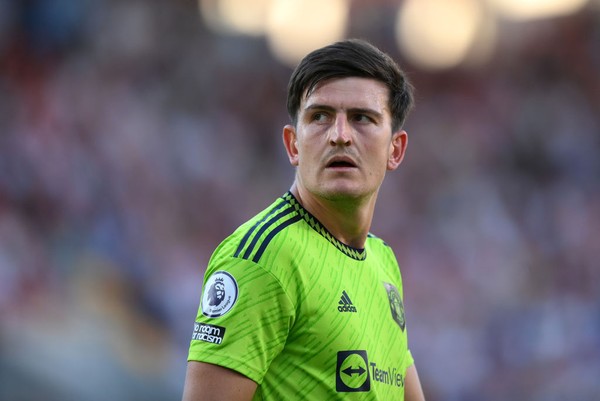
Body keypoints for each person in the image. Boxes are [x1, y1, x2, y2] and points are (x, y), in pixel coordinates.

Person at [182, 38, 426, 401]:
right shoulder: (264, 258)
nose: (340, 136)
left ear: (396, 149)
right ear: (293, 144)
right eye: (320, 117)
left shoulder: (382, 261)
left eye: (362, 118)